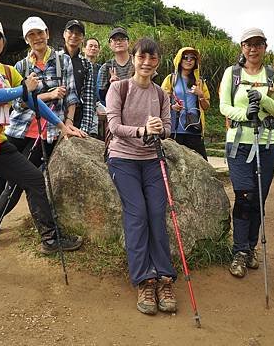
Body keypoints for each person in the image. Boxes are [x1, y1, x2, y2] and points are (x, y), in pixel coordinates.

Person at [0, 15, 83, 277]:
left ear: (3, 41)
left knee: (33, 178)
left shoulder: (9, 71)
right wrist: (24, 89)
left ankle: (50, 238)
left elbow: (34, 102)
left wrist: (62, 125)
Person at [105, 38, 176, 316]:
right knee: (137, 214)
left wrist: (160, 129)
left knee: (157, 213)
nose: (146, 63)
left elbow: (170, 129)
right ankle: (144, 279)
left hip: (151, 160)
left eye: (153, 58)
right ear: (133, 58)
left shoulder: (161, 95)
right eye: (142, 57)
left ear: (158, 63)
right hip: (122, 159)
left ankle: (164, 276)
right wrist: (142, 131)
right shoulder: (118, 88)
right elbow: (113, 126)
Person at [219, 28, 274, 278]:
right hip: (239, 143)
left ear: (265, 47)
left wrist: (262, 99)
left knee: (258, 197)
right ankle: (239, 250)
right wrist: (244, 114)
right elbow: (223, 106)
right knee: (244, 194)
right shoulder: (232, 73)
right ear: (242, 47)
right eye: (248, 44)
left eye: (258, 44)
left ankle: (250, 247)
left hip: (267, 143)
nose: (253, 49)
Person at [161, 47, 210, 160]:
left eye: (192, 58)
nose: (189, 60)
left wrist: (200, 95)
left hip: (194, 128)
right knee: (173, 163)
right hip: (175, 127)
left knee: (201, 161)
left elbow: (206, 106)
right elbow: (160, 102)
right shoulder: (171, 79)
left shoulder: (200, 82)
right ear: (179, 59)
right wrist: (172, 107)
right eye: (185, 57)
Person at [61, 20, 96, 137]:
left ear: (82, 38)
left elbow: (89, 97)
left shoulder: (86, 64)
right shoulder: (54, 59)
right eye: (71, 31)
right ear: (64, 34)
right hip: (55, 113)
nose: (74, 36)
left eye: (78, 33)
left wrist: (85, 127)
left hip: (77, 116)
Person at [97, 27, 134, 105]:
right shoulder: (106, 67)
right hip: (116, 108)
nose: (118, 42)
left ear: (128, 42)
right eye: (114, 40)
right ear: (110, 45)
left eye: (122, 39)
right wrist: (112, 87)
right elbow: (102, 96)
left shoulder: (138, 62)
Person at [84, 37, 103, 137]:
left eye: (96, 46)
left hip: (94, 107)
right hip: (79, 107)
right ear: (84, 49)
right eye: (90, 46)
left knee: (92, 135)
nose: (93, 48)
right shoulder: (76, 65)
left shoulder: (101, 69)